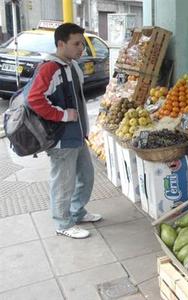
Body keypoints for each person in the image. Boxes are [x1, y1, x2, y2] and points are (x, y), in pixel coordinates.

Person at [27, 23, 101, 239]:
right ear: (61, 44)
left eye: (82, 43)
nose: (82, 49)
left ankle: (77, 212)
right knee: (63, 182)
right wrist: (62, 115)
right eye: (76, 44)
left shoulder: (70, 65)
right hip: (61, 139)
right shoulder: (50, 68)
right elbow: (34, 99)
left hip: (77, 136)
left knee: (85, 176)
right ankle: (62, 223)